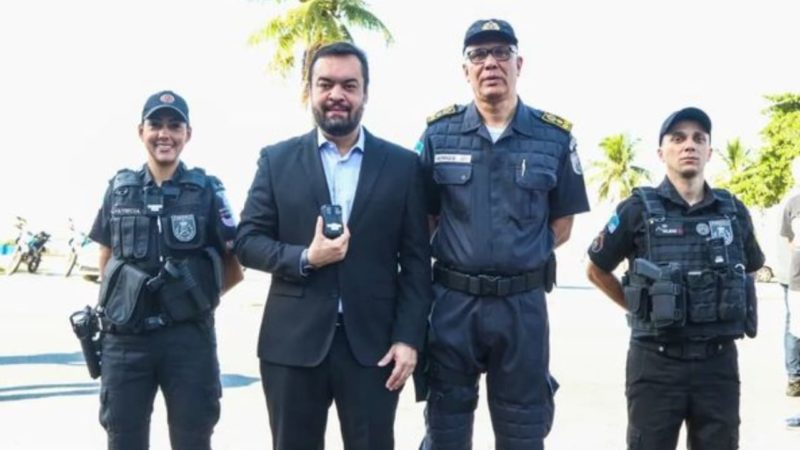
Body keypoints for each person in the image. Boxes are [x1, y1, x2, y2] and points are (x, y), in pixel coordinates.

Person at [234, 42, 432, 450]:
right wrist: (306, 257)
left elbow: (416, 263)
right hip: (292, 345)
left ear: (365, 93)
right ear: (310, 90)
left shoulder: (402, 166)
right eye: (325, 84)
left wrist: (409, 338)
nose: (336, 95)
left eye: (349, 85)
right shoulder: (277, 160)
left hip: (375, 349)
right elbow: (247, 241)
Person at [417, 19, 590, 450]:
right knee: (446, 431)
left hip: (522, 307)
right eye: (478, 55)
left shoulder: (553, 137)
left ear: (519, 64)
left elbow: (563, 224)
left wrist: (519, 255)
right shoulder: (439, 134)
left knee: (523, 433)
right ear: (466, 70)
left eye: (501, 52)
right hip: (453, 306)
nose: (490, 63)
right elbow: (426, 219)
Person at [586, 107, 764, 449]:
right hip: (656, 363)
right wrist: (639, 306)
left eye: (699, 139)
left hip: (717, 364)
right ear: (661, 152)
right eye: (678, 138)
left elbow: (752, 267)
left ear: (709, 151)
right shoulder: (637, 209)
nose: (689, 145)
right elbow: (596, 269)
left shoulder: (733, 211)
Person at [89, 90, 243, 450]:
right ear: (140, 131)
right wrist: (129, 301)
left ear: (188, 134)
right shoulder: (119, 189)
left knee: (193, 439)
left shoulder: (208, 190)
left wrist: (191, 300)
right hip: (126, 340)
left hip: (189, 340)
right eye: (156, 124)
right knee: (123, 439)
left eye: (175, 126)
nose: (165, 134)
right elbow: (106, 258)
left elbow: (233, 267)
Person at [779, 157, 800, 398]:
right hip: (796, 279)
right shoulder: (792, 204)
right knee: (796, 328)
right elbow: (788, 240)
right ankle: (795, 377)